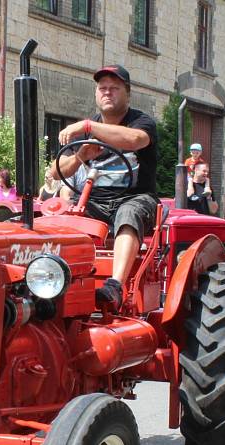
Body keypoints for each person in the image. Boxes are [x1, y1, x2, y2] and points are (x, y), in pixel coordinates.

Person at [53, 64, 158, 312]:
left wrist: (88, 126)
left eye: (114, 88)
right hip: (95, 202)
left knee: (128, 213)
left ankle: (114, 287)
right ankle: (57, 282)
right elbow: (56, 172)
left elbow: (134, 140)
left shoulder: (142, 122)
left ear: (128, 94)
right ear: (96, 93)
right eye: (102, 88)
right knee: (63, 219)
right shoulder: (87, 131)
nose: (107, 93)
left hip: (135, 197)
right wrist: (80, 155)